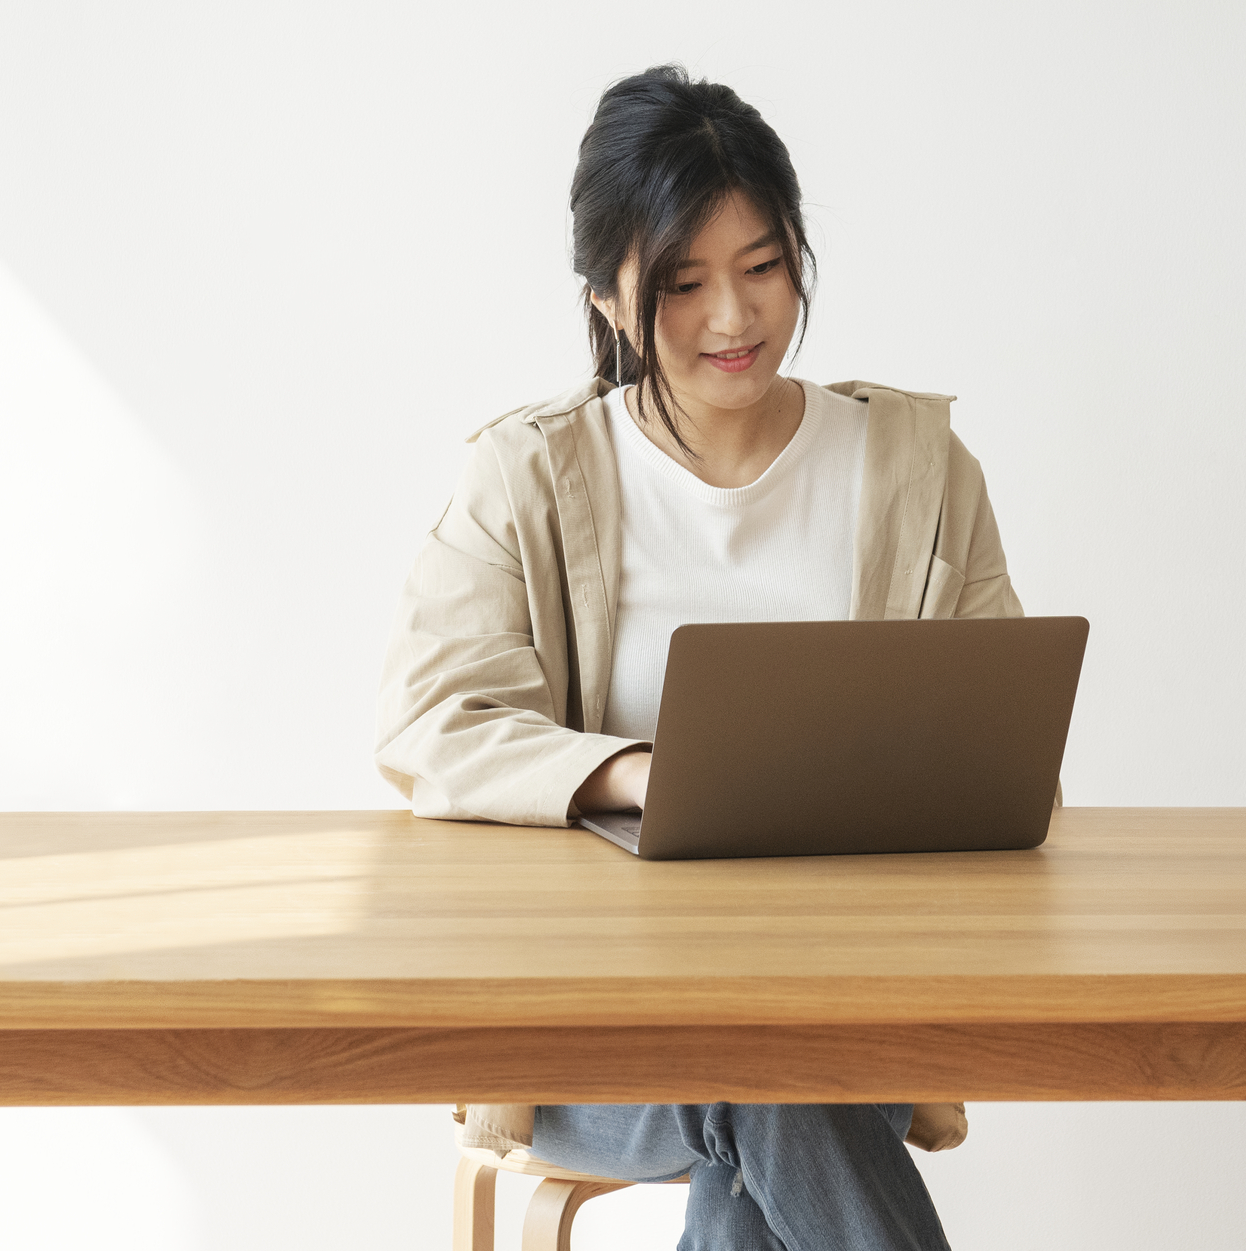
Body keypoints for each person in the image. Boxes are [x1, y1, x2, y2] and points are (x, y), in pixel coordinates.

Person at [377, 65, 1022, 1251]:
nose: (735, 317)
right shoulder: (528, 476)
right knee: (768, 1080)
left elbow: (997, 740)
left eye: (764, 267)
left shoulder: (918, 471)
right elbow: (433, 722)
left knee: (776, 1080)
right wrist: (632, 770)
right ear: (611, 298)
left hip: (852, 1005)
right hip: (593, 1039)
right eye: (685, 282)